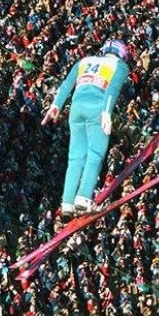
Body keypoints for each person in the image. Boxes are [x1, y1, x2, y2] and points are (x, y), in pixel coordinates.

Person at [41, 39, 131, 220]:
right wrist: (106, 112)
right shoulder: (120, 66)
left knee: (75, 157)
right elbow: (112, 89)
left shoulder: (84, 61)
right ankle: (83, 198)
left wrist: (56, 105)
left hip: (76, 109)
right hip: (97, 108)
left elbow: (66, 84)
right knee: (95, 153)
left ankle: (67, 203)